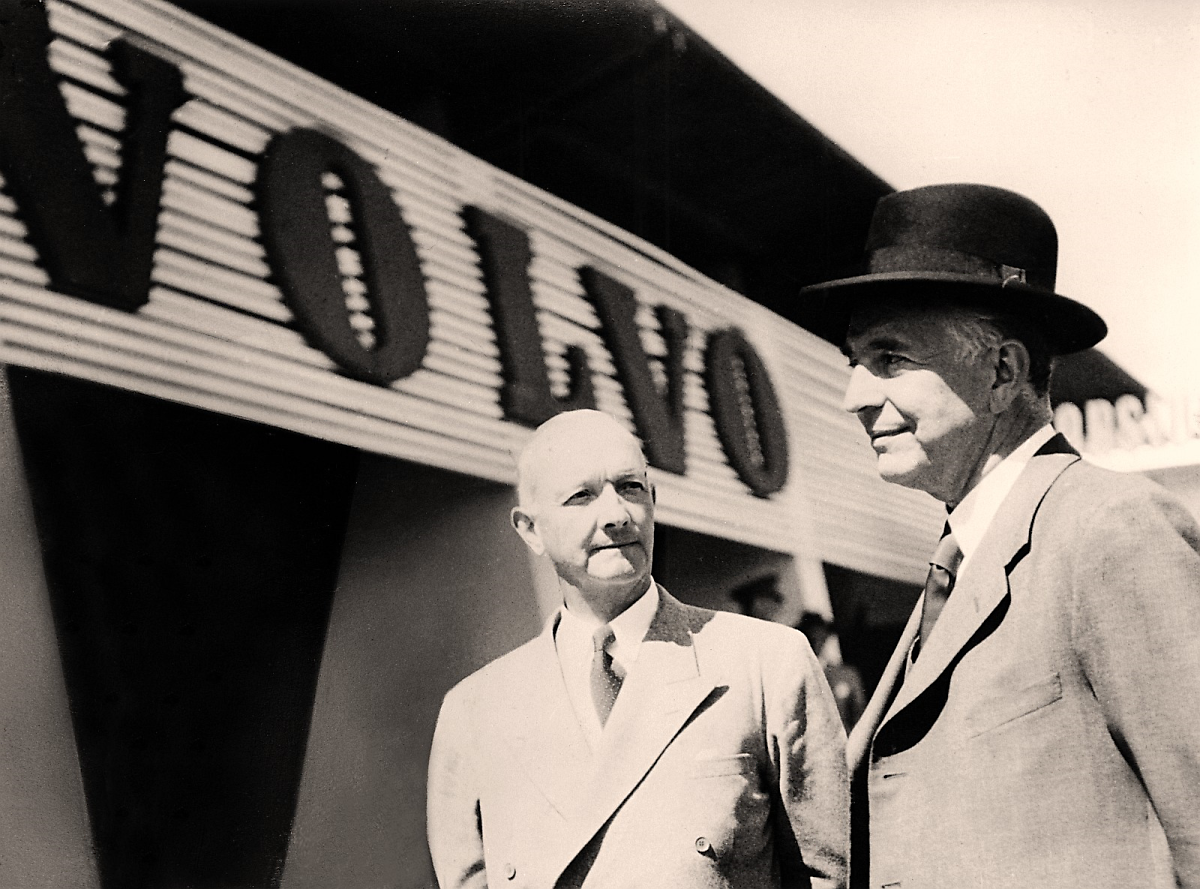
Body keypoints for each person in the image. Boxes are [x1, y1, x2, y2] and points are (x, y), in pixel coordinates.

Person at [795, 183, 1200, 889]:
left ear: (1002, 371)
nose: (853, 396)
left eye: (889, 358)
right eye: (852, 362)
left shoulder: (1112, 528)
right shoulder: (960, 559)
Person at [426, 409, 849, 888]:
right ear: (530, 530)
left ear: (654, 499)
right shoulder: (474, 712)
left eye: (630, 487)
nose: (616, 515)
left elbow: (829, 872)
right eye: (581, 496)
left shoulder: (764, 663)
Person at [796, 613, 867, 732]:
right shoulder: (796, 677)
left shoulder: (847, 674)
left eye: (821, 636)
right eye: (811, 637)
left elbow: (860, 713)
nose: (817, 641)